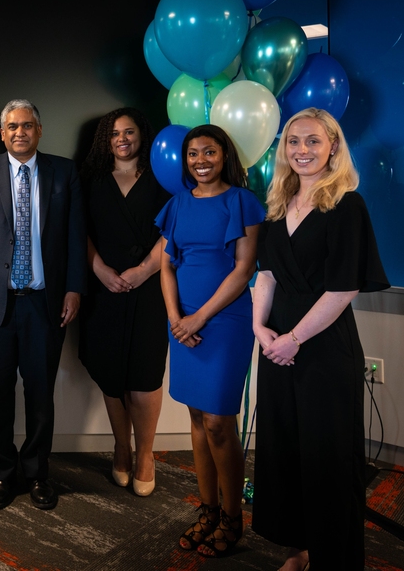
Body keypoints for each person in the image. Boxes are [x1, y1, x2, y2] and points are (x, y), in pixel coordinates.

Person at [252, 108, 389, 570]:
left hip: (323, 346)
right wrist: (259, 328)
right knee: (286, 450)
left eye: (313, 140)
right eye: (293, 141)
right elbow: (267, 274)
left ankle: (335, 559)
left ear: (333, 146)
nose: (302, 150)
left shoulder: (347, 205)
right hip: (275, 342)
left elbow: (344, 288)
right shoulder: (278, 202)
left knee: (327, 457)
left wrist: (293, 338)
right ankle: (300, 549)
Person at [0, 99, 86, 511]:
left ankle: (36, 473)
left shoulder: (64, 172)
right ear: (2, 134)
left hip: (44, 304)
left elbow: (75, 236)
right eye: (12, 126)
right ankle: (0, 473)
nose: (20, 132)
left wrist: (74, 288)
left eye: (27, 125)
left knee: (40, 395)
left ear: (39, 130)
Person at [155, 124, 264, 557]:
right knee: (197, 417)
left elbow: (244, 269)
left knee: (219, 421)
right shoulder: (177, 204)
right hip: (181, 322)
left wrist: (198, 317)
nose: (201, 160)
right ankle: (208, 512)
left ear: (225, 156)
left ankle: (234, 520)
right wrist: (175, 318)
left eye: (210, 152)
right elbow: (166, 266)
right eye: (193, 153)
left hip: (225, 321)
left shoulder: (242, 201)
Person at [78, 108, 170, 496]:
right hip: (104, 289)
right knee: (111, 374)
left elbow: (173, 229)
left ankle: (145, 454)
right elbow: (78, 231)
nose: (122, 139)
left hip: (150, 289)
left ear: (142, 135)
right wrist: (99, 269)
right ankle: (121, 446)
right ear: (106, 139)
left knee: (145, 377)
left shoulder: (163, 177)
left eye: (129, 131)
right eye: (115, 133)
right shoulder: (91, 180)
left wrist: (144, 270)